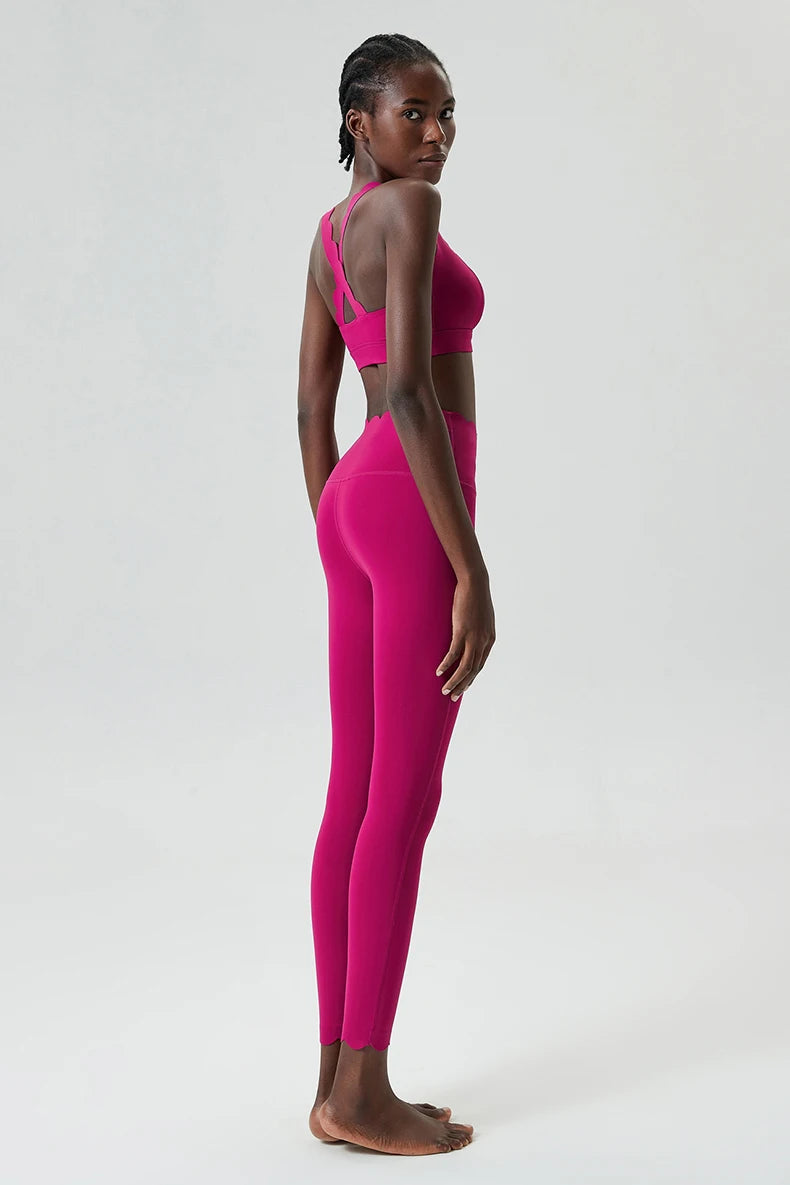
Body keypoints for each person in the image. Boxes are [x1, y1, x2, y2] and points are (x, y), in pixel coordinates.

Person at [297, 33, 496, 1156]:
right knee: (402, 799)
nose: (436, 135)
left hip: (354, 503)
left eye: (446, 112)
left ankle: (335, 1076)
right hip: (415, 498)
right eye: (412, 113)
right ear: (357, 123)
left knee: (355, 792)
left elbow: (308, 406)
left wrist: (336, 521)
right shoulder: (409, 212)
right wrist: (469, 566)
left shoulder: (329, 234)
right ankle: (362, 1091)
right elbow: (413, 391)